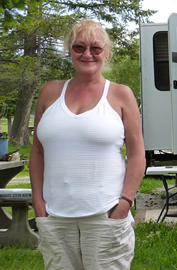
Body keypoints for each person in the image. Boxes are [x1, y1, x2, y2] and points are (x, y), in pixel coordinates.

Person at [30, 19, 145, 269]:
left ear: (106, 52)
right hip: (55, 216)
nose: (87, 54)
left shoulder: (120, 94)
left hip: (105, 215)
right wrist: (38, 202)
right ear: (69, 51)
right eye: (79, 47)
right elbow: (38, 151)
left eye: (95, 48)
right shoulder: (50, 92)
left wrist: (125, 202)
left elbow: (137, 154)